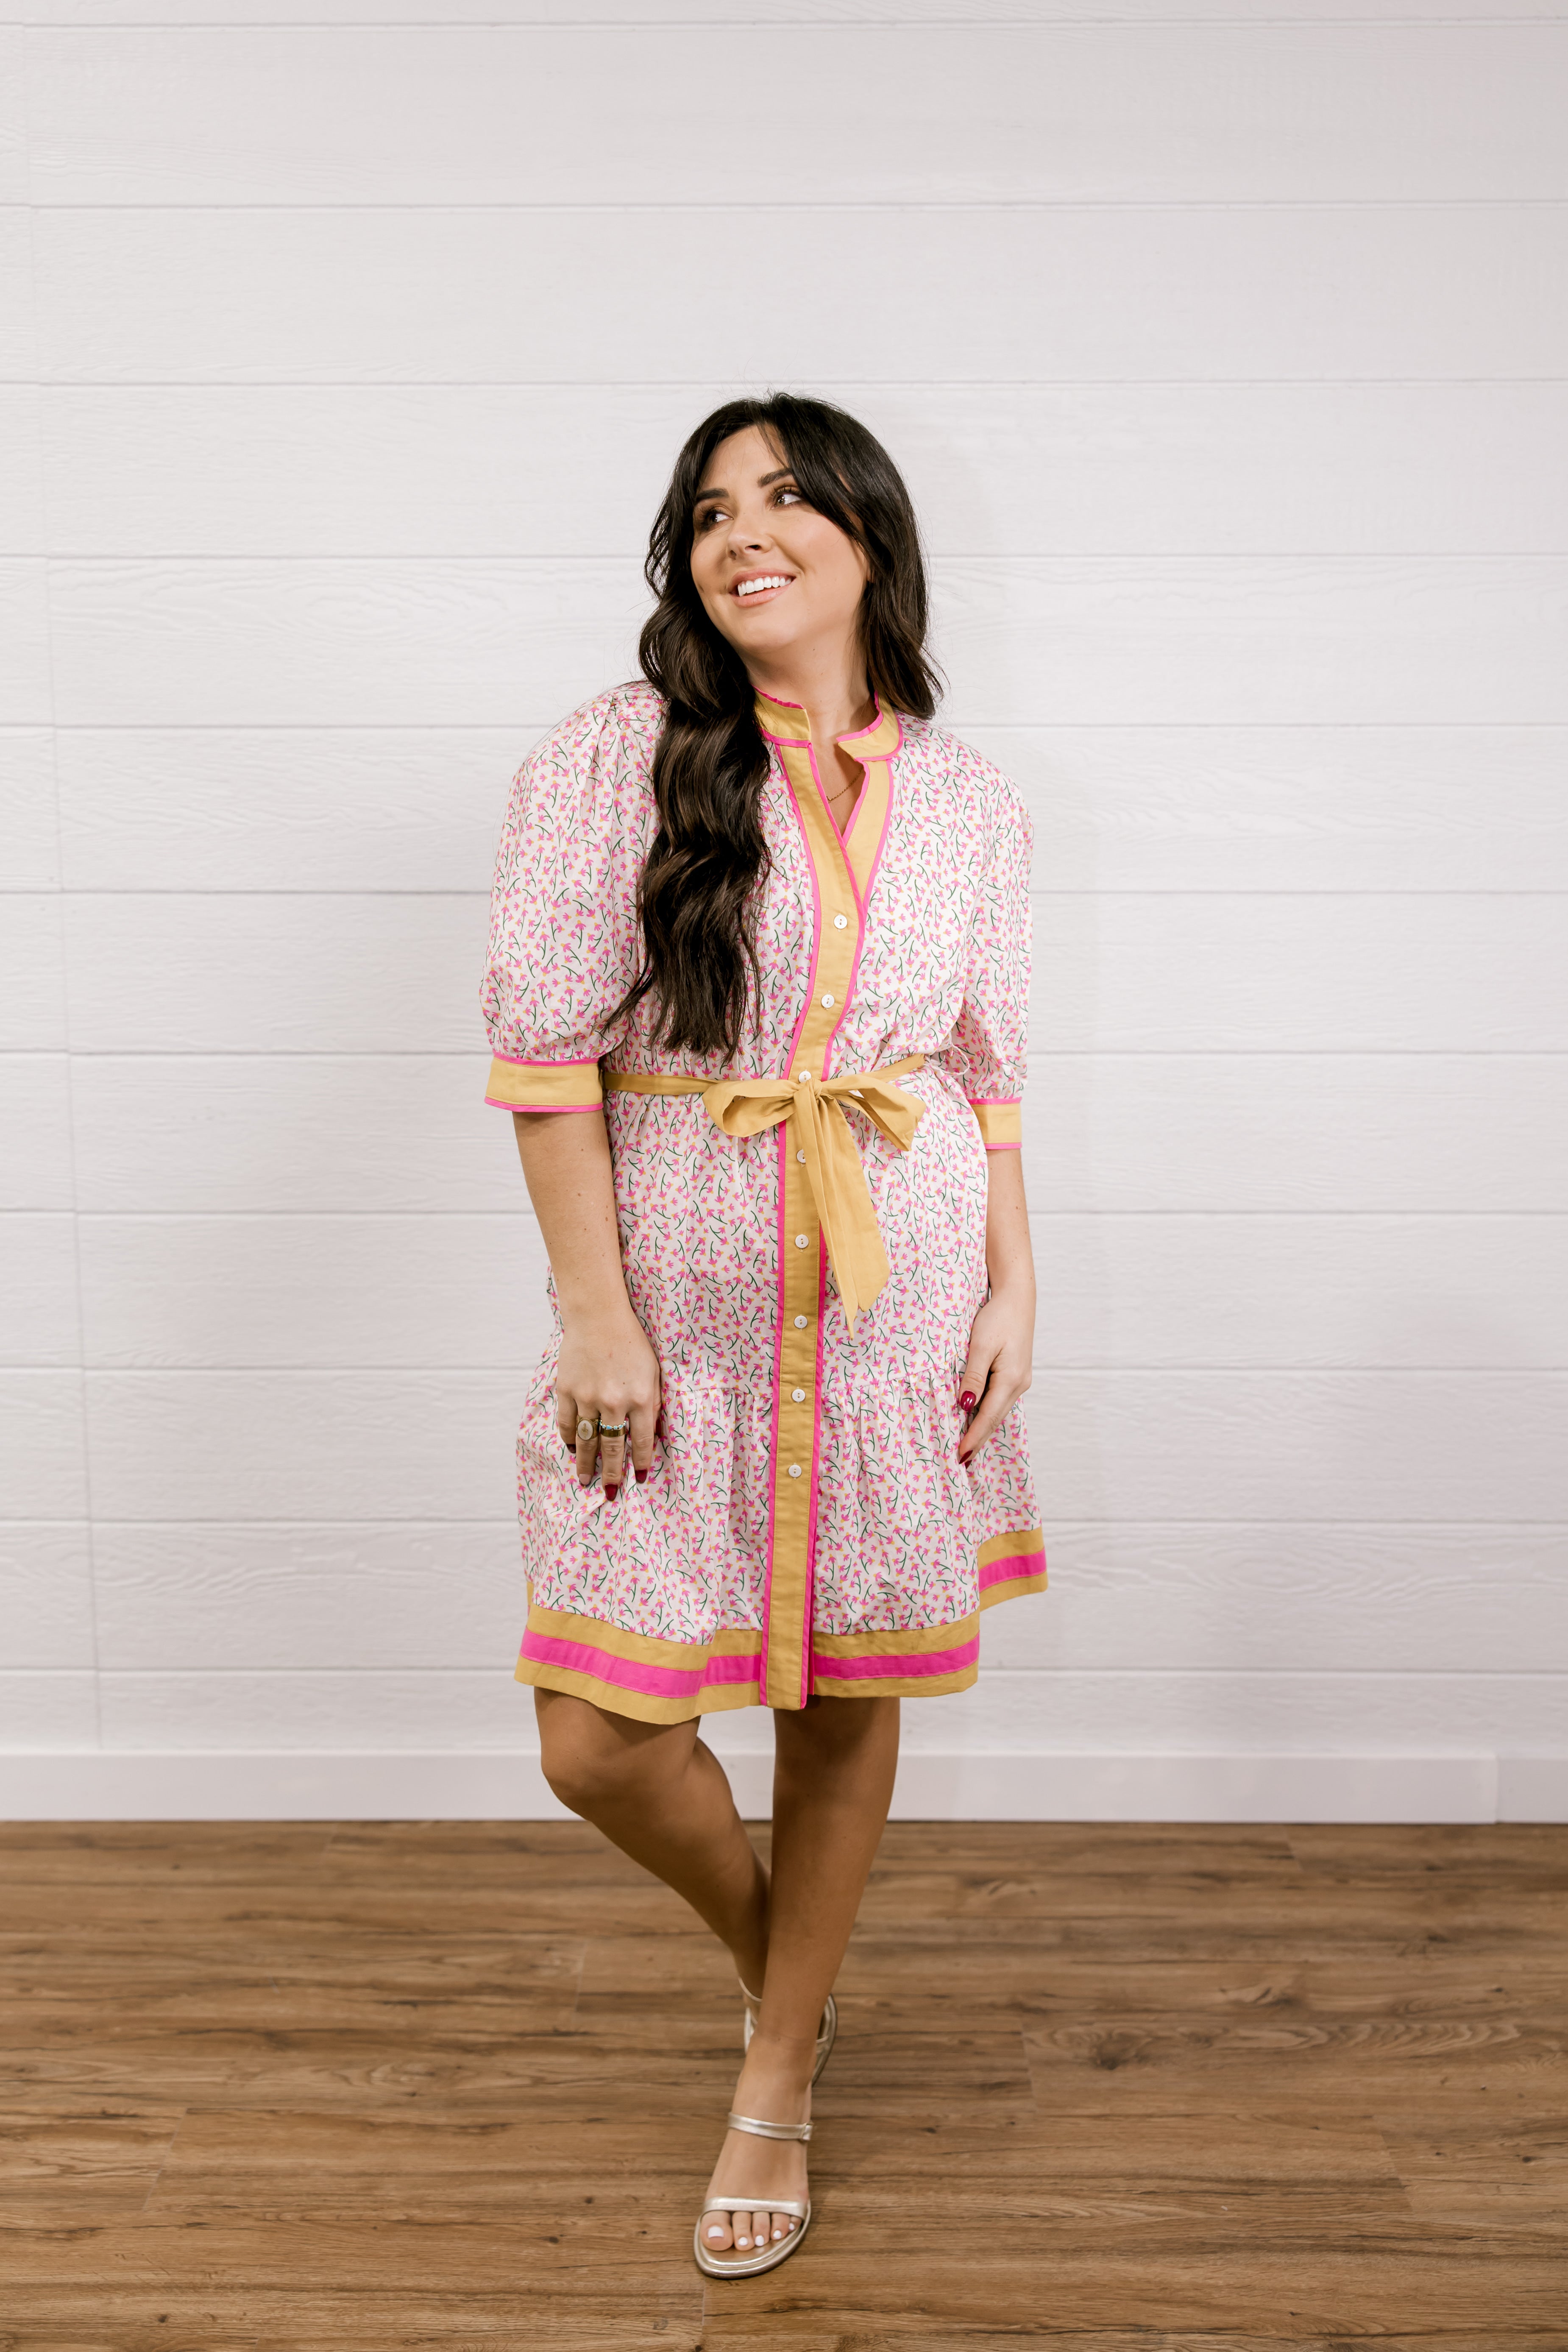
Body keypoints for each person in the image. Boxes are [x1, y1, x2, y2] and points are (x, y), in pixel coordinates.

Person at [481, 394, 1044, 2276]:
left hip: (892, 1308)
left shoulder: (967, 797)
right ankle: (782, 1968)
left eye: (788, 498)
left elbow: (983, 1064)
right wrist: (594, 1314)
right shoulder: (618, 754)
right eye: (711, 509)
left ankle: (777, 2071)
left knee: (844, 1689)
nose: (746, 533)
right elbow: (548, 1056)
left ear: (871, 535)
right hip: (673, 1331)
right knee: (600, 1740)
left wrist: (1015, 1279)